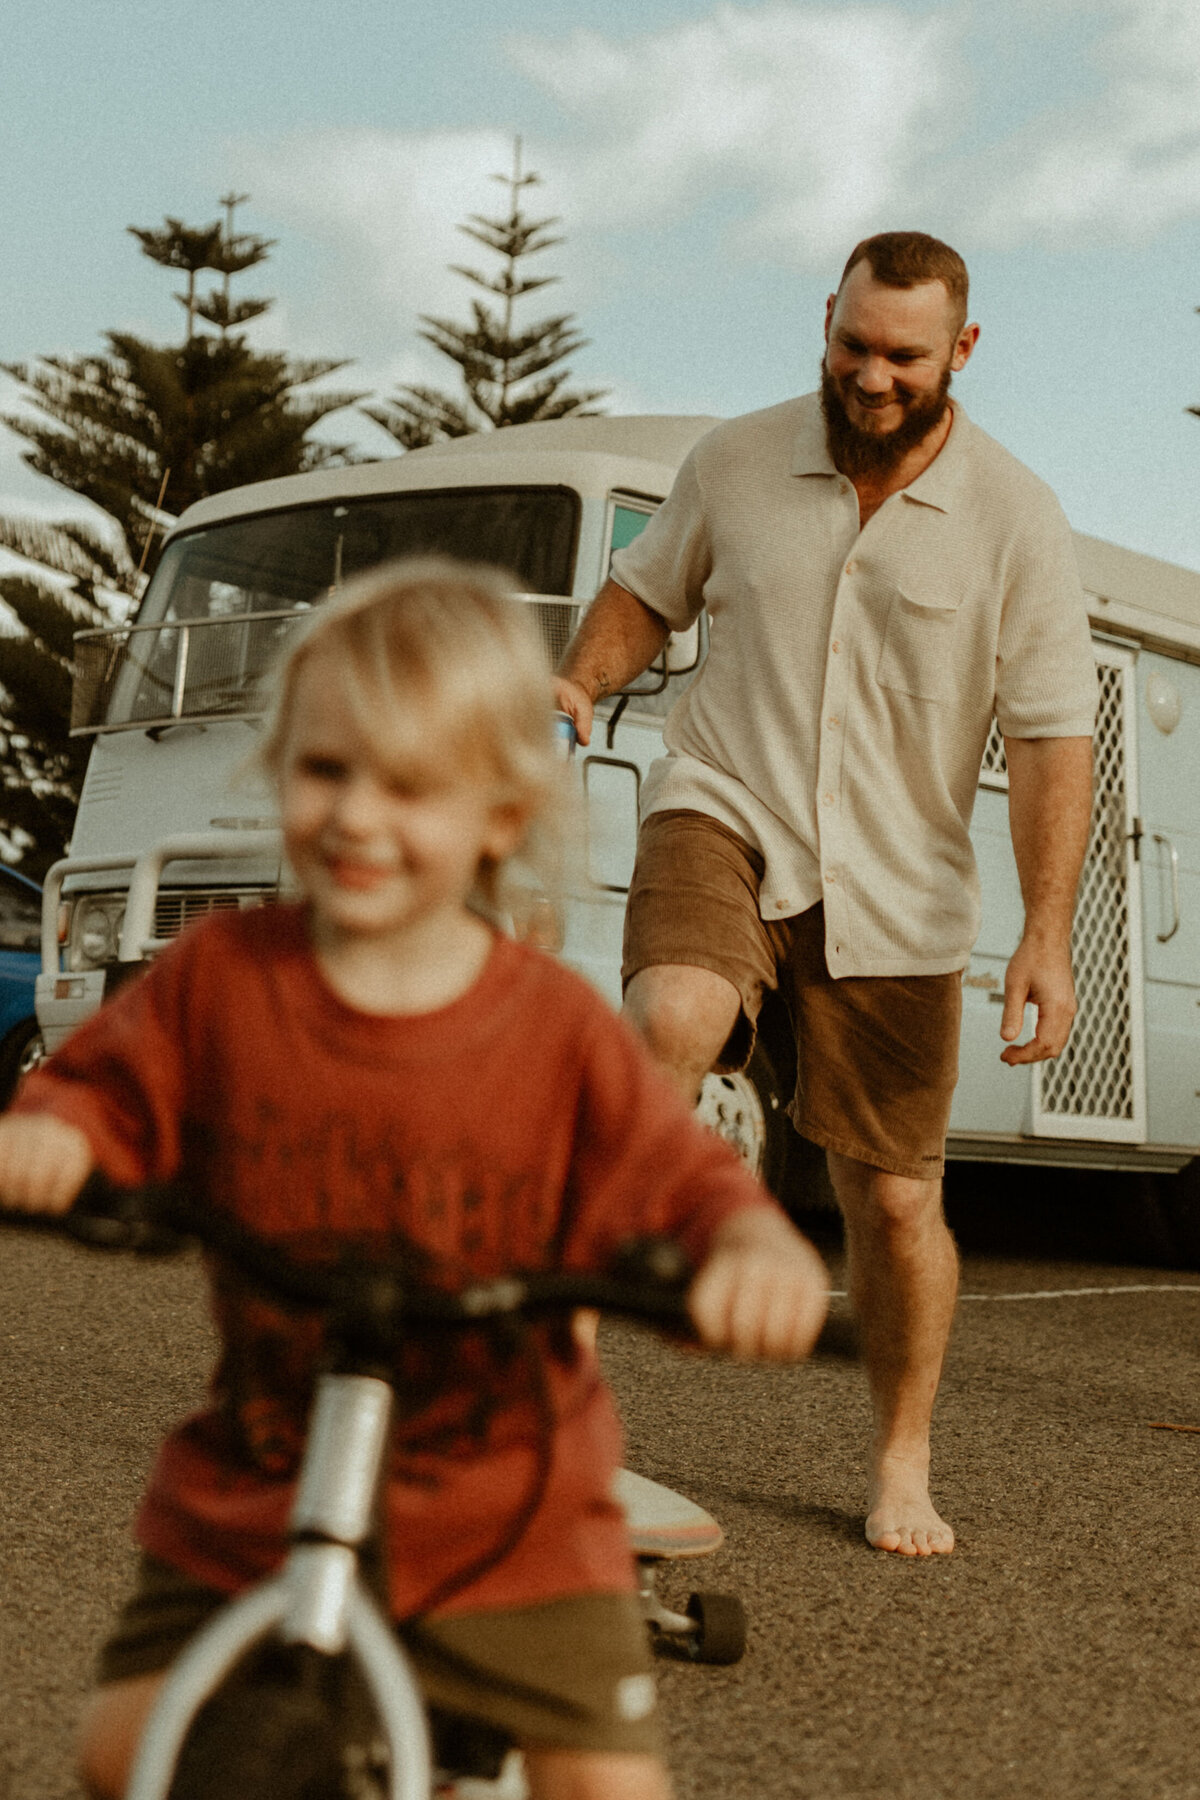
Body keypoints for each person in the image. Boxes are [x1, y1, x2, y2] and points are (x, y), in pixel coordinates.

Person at [0, 558, 829, 1800]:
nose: (358, 818)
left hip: (510, 1518)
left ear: (500, 817)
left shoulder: (550, 1030)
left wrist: (750, 1257)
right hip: (260, 1483)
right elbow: (102, 1088)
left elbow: (678, 1182)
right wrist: (54, 1136)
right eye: (325, 771)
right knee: (125, 1754)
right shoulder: (227, 979)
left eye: (412, 788)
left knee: (610, 1788)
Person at [555, 232, 1098, 1560]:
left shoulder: (1016, 518)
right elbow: (645, 594)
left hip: (900, 887)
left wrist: (1044, 931)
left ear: (960, 353)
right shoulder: (735, 462)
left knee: (897, 1204)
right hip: (726, 805)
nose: (870, 375)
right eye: (852, 344)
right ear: (828, 321)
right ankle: (544, 1404)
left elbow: (1047, 743)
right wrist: (580, 681)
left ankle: (902, 1460)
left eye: (902, 356)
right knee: (671, 1017)